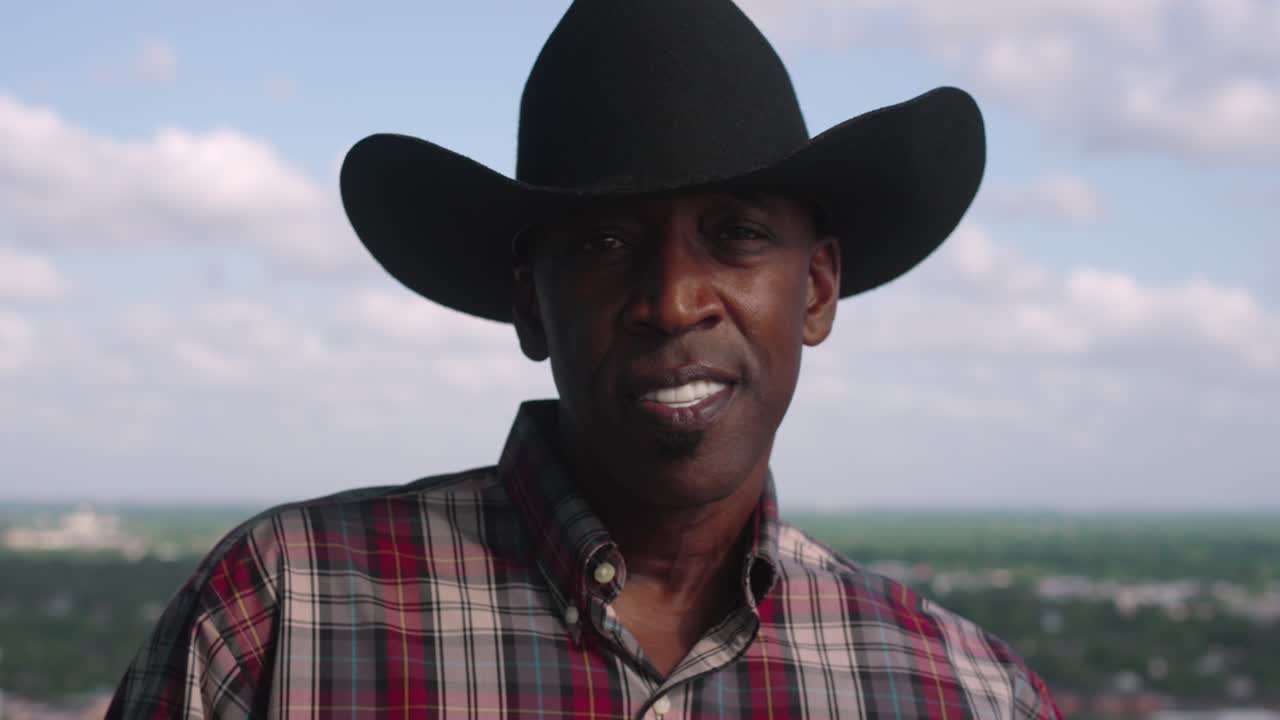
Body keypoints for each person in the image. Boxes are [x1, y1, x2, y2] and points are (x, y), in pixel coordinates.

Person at [108, 1, 1062, 718]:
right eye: (605, 243)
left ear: (814, 292)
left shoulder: (964, 692)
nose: (673, 300)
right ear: (531, 303)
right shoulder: (284, 616)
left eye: (734, 234)